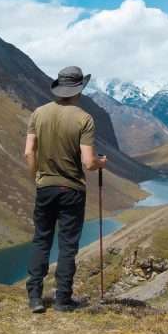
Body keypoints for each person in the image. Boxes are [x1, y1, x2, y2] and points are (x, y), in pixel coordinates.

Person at [24, 66, 107, 313]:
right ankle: (62, 300)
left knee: (41, 240)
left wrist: (38, 178)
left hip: (45, 187)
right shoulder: (84, 119)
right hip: (72, 190)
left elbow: (29, 152)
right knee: (68, 245)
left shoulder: (38, 114)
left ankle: (35, 298)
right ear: (79, 89)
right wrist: (101, 163)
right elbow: (89, 163)